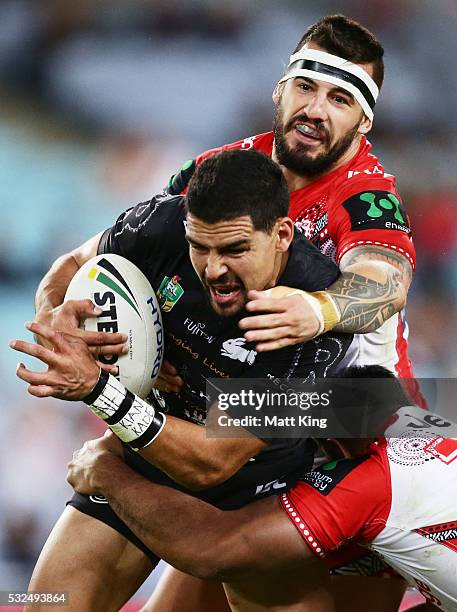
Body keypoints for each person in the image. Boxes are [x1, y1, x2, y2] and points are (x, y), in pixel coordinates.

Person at [11, 149, 352, 611]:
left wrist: (98, 390)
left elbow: (213, 462)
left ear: (281, 235)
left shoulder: (317, 313)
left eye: (234, 250)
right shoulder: (161, 222)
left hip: (256, 490)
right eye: (200, 247)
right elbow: (70, 264)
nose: (213, 269)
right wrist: (58, 314)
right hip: (146, 451)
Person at [63, 365, 456, 612]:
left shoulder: (368, 480)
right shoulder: (429, 426)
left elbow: (214, 549)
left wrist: (107, 472)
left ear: (337, 444)